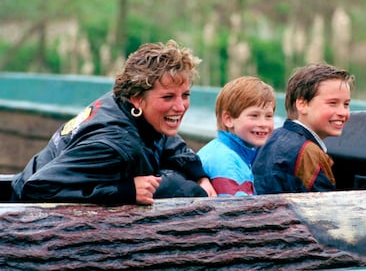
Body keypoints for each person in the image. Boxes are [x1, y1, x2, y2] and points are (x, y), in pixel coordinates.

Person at [11, 39, 217, 204]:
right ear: (138, 98)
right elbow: (37, 188)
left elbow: (166, 139)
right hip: (28, 224)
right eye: (168, 97)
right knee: (182, 190)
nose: (180, 106)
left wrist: (199, 174)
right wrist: (125, 190)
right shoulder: (113, 145)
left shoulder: (127, 106)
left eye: (185, 95)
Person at [253, 63, 355, 194]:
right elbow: (325, 210)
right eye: (332, 103)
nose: (343, 112)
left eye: (346, 104)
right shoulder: (309, 153)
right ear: (302, 104)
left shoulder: (270, 137)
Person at [197, 76, 276, 197]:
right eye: (254, 115)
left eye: (269, 116)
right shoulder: (227, 162)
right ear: (228, 119)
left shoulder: (226, 151)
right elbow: (237, 213)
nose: (263, 123)